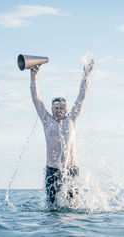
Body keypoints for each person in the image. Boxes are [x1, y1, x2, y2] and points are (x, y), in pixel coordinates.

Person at [29, 59, 94, 206]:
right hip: (53, 170)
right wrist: (33, 77)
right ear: (52, 109)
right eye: (56, 108)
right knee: (51, 206)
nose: (59, 110)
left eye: (62, 107)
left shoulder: (71, 119)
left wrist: (86, 75)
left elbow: (81, 97)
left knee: (73, 205)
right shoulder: (47, 120)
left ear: (66, 109)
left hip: (71, 169)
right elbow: (36, 99)